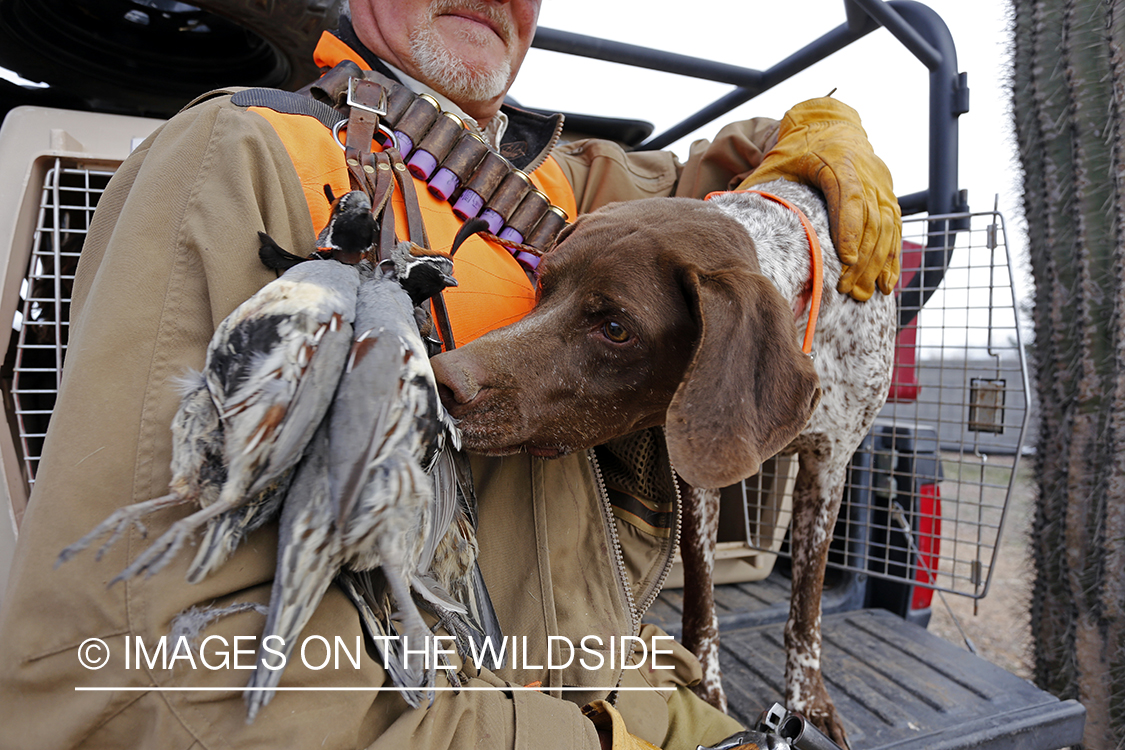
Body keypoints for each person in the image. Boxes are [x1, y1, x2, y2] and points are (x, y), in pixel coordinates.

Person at [0, 1, 900, 748]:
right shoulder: (239, 156)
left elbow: (741, 162)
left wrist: (822, 140)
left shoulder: (580, 184)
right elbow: (128, 672)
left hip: (638, 692)